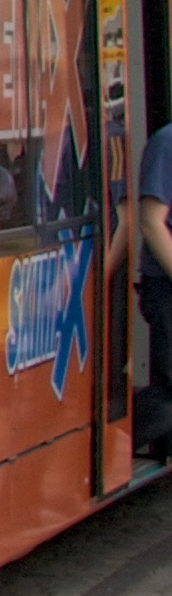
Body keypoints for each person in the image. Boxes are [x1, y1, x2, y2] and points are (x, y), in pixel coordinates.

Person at [139, 108, 172, 461]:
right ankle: (106, 446)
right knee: (169, 396)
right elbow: (151, 222)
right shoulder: (167, 144)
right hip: (166, 287)